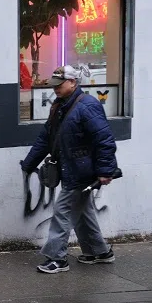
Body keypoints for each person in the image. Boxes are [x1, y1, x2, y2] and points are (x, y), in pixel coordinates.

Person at [21, 65, 118, 274]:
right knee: (83, 211)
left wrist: (105, 171)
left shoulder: (88, 106)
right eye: (54, 85)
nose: (55, 89)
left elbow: (104, 140)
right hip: (71, 168)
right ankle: (99, 252)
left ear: (73, 83)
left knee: (62, 212)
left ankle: (57, 258)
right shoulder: (59, 106)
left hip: (82, 171)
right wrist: (30, 163)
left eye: (59, 84)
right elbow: (47, 137)